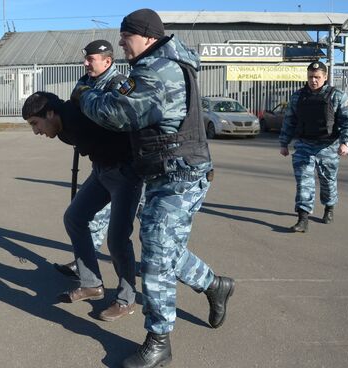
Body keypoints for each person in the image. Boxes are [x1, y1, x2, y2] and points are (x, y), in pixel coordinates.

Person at [72, 9, 235, 368]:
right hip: (168, 172)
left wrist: (85, 96)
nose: (121, 44)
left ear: (146, 37)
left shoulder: (156, 71)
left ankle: (159, 340)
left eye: (125, 37)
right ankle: (213, 284)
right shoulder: (162, 64)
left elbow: (117, 114)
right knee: (166, 249)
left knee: (157, 252)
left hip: (179, 175)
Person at [22, 92, 143, 322]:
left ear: (50, 113)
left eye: (35, 124)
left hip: (127, 173)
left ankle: (127, 299)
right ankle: (91, 284)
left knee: (117, 240)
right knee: (75, 218)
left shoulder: (80, 114)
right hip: (102, 171)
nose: (36, 131)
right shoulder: (60, 127)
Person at [53, 39, 129, 279]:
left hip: (129, 167)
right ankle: (85, 263)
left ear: (107, 61)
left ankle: (173, 273)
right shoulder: (86, 81)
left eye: (91, 59)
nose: (85, 63)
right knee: (92, 217)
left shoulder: (120, 84)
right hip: (103, 162)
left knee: (151, 232)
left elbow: (114, 119)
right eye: (85, 58)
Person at [279, 61, 348, 233]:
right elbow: (289, 120)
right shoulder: (298, 96)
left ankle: (329, 207)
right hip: (304, 145)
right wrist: (284, 143)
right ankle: (303, 218)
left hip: (328, 146)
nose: (313, 80)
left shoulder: (337, 96)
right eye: (310, 77)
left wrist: (345, 142)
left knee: (327, 181)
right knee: (304, 182)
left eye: (317, 77)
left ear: (325, 77)